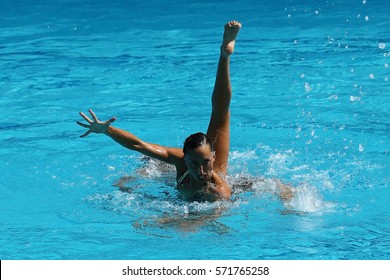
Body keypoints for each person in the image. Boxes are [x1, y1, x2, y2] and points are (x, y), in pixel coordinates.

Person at [78, 21, 293, 203]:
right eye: (194, 164)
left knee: (221, 113)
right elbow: (138, 145)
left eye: (205, 163)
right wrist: (106, 130)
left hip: (218, 181)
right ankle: (224, 55)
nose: (201, 172)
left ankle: (225, 54)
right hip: (178, 169)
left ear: (213, 157)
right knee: (150, 161)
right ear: (184, 159)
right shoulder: (178, 159)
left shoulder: (219, 189)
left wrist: (177, 223)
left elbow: (211, 218)